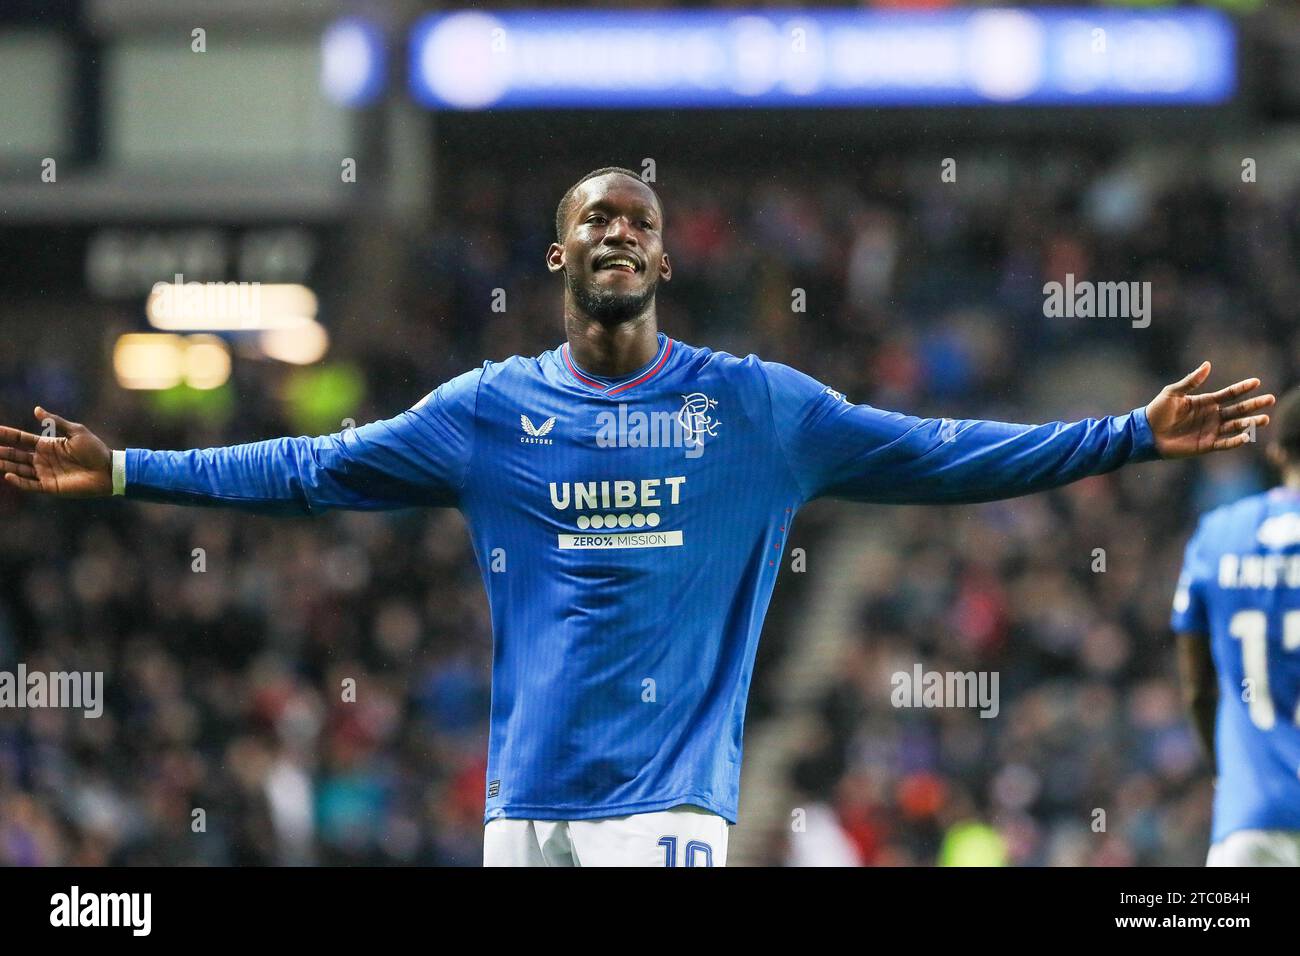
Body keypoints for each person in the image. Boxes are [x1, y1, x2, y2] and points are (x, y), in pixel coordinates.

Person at [1, 167, 1275, 867]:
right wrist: (127, 474)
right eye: (592, 219)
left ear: (663, 260)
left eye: (638, 221)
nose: (615, 231)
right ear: (558, 257)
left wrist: (1125, 435)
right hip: (521, 810)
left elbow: (943, 454)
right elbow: (304, 468)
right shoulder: (485, 411)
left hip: (662, 815)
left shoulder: (757, 412)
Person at [1173, 385, 1300, 866]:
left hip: (1254, 817)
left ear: (1277, 451)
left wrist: (1227, 772)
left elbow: (1197, 687)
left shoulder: (1219, 536)